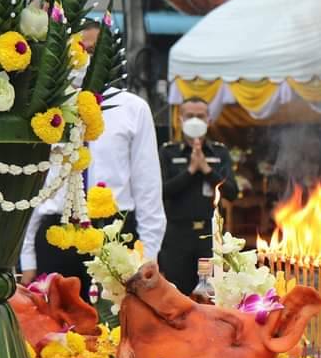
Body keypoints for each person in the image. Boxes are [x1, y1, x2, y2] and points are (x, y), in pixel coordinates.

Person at [21, 23, 166, 297]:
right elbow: (34, 185)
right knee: (56, 320)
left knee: (113, 319)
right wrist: (27, 256)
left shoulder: (132, 109)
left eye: (95, 51)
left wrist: (149, 253)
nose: (87, 57)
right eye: (81, 49)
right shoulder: (47, 110)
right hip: (57, 233)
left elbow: (147, 187)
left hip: (114, 233)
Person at [158, 97, 239, 295]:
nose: (195, 120)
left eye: (200, 116)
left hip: (209, 238)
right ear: (180, 120)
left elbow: (232, 192)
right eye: (190, 116)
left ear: (209, 120)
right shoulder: (168, 152)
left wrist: (207, 170)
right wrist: (191, 171)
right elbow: (160, 191)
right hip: (177, 236)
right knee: (178, 295)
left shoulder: (219, 152)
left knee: (211, 294)